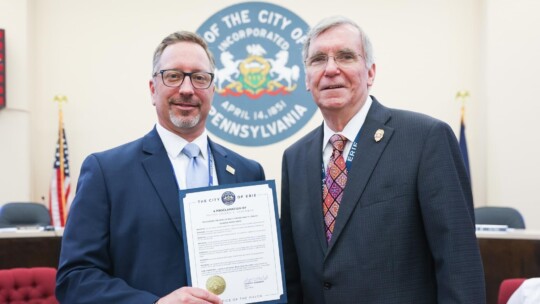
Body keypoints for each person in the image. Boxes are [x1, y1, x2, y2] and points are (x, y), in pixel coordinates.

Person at [280, 16, 485, 303]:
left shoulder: (425, 139)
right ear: (306, 78)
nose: (330, 69)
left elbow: (458, 263)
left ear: (371, 73)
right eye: (317, 60)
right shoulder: (295, 158)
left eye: (346, 56)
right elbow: (293, 272)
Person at [56, 31, 265, 304]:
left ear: (213, 90)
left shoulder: (248, 173)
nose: (187, 89)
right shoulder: (106, 172)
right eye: (173, 76)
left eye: (200, 78)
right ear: (153, 89)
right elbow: (75, 279)